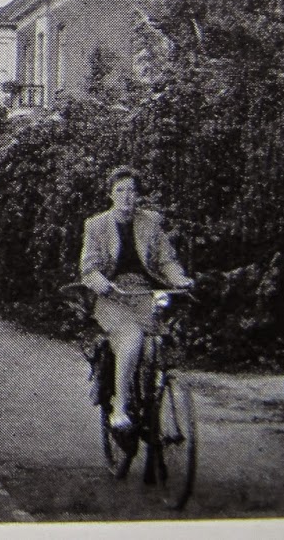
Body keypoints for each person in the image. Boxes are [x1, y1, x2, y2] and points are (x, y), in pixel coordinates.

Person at [80, 166, 192, 435]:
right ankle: (120, 406)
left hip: (143, 293)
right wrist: (102, 284)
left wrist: (180, 279)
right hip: (112, 296)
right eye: (120, 190)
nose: (127, 196)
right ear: (111, 194)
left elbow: (166, 259)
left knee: (155, 346)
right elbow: (88, 268)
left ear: (138, 194)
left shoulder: (150, 221)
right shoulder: (96, 225)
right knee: (130, 337)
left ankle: (147, 397)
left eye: (132, 190)